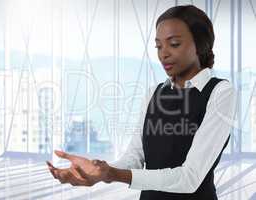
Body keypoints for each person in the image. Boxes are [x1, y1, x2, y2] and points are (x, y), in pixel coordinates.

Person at [46, 5, 236, 200]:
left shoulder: (220, 92)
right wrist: (99, 171)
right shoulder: (154, 93)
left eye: (174, 44)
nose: (164, 54)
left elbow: (189, 177)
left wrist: (114, 174)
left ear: (200, 44)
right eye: (159, 46)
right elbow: (134, 158)